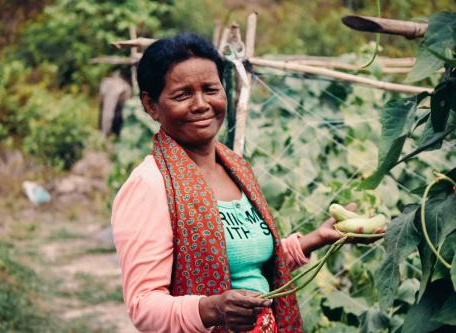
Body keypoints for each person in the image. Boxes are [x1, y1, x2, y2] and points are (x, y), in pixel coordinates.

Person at [111, 33, 378, 333]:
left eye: (211, 89)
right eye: (183, 95)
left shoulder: (236, 169)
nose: (201, 104)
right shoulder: (149, 185)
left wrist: (317, 238)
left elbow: (251, 268)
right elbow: (144, 306)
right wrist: (211, 309)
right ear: (151, 105)